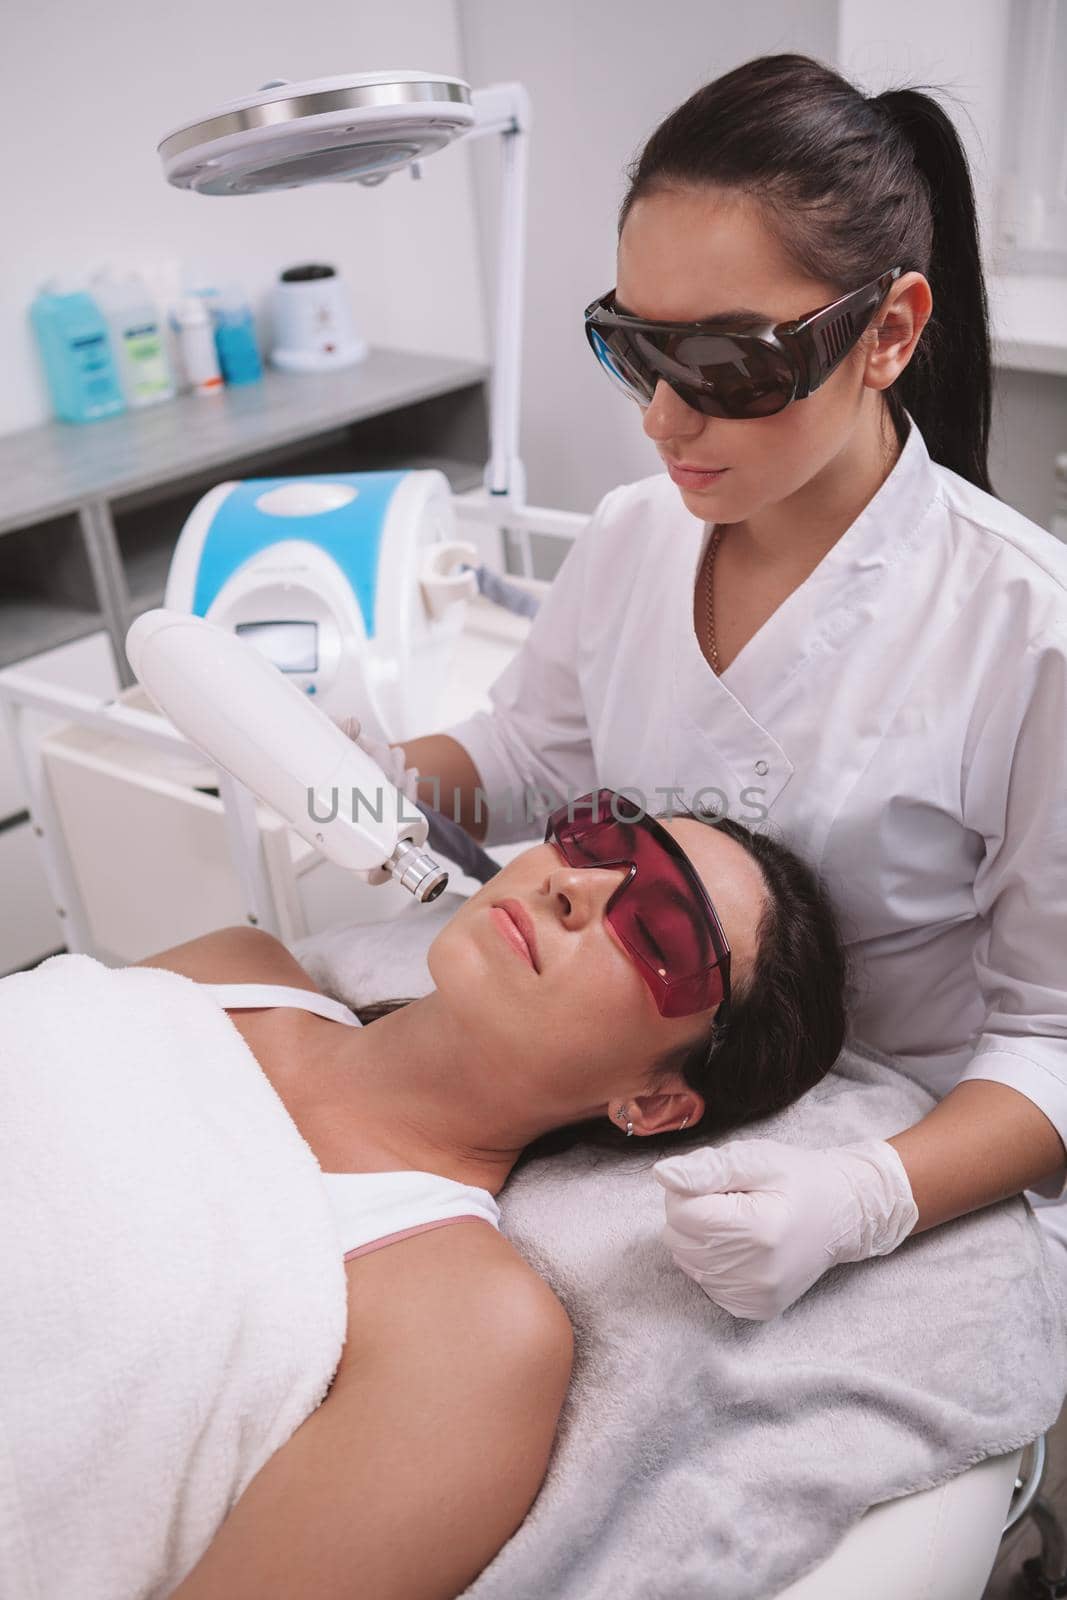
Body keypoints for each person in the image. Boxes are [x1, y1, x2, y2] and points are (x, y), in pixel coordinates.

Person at [358, 52, 1067, 1320]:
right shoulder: (635, 535)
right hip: (626, 1093)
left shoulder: (1024, 631)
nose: (663, 421)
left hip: (903, 1135)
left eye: (727, 367)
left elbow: (1054, 1041)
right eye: (631, 348)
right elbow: (530, 753)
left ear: (888, 333)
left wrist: (860, 1198)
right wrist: (363, 766)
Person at [128, 794, 850, 1598]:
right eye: (601, 841)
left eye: (658, 933)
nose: (574, 885)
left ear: (651, 1102)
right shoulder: (234, 970)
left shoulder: (471, 1332)